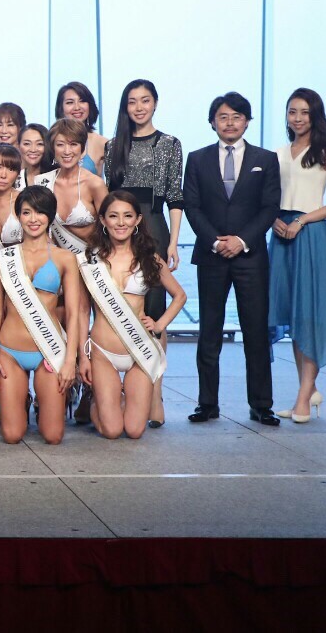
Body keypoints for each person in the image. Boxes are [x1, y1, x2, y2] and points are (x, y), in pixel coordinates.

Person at [183, 92, 281, 426]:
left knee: (255, 331)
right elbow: (192, 206)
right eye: (223, 117)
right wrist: (214, 241)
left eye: (237, 117)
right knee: (209, 331)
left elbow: (269, 207)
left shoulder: (265, 159)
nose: (230, 123)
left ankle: (261, 405)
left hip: (250, 257)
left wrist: (241, 241)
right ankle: (207, 403)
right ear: (213, 122)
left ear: (247, 122)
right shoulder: (197, 159)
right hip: (211, 256)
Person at [102, 79, 184, 427]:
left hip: (153, 224)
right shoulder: (113, 146)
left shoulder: (169, 144)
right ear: (125, 106)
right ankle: (119, 390)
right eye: (132, 101)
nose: (139, 107)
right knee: (117, 302)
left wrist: (173, 242)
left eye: (145, 100)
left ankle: (155, 392)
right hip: (119, 226)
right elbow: (108, 196)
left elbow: (175, 196)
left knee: (153, 308)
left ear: (155, 103)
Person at [269, 88, 326, 422]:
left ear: (315, 115)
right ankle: (308, 390)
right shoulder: (278, 154)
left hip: (311, 234)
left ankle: (304, 397)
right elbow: (270, 197)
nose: (298, 118)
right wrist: (274, 220)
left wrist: (302, 221)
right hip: (281, 235)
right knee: (293, 313)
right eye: (292, 112)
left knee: (312, 313)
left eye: (304, 112)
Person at [79, 191, 186, 439]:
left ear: (137, 220)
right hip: (103, 352)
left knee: (135, 430)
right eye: (113, 216)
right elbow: (82, 311)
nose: (121, 222)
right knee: (112, 430)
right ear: (103, 220)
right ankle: (98, 403)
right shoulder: (90, 260)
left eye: (127, 216)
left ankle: (118, 400)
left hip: (139, 350)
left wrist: (159, 324)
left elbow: (180, 296)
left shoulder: (149, 258)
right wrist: (82, 356)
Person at [0, 186, 82, 444]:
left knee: (53, 436)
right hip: (10, 351)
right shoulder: (3, 257)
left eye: (40, 212)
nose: (33, 219)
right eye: (27, 212)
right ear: (18, 215)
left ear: (50, 216)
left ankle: (41, 401)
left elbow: (74, 313)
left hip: (49, 351)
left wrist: (70, 360)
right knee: (12, 435)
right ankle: (21, 400)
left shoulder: (65, 258)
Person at [35, 119, 108, 253]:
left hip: (92, 259)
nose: (67, 151)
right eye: (60, 144)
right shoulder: (42, 182)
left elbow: (109, 228)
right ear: (53, 148)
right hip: (55, 260)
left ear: (82, 148)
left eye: (73, 144)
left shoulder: (95, 184)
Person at [55, 81, 107, 173]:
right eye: (70, 102)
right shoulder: (50, 141)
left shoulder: (102, 143)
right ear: (61, 108)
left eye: (82, 101)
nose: (77, 107)